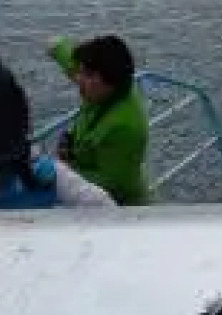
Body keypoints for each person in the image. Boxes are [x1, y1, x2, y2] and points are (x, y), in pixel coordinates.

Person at [50, 34, 151, 207]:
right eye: (80, 72)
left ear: (111, 81)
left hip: (118, 209)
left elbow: (114, 184)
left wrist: (58, 171)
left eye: (87, 75)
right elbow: (71, 62)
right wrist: (56, 45)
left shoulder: (125, 127)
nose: (79, 80)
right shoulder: (101, 88)